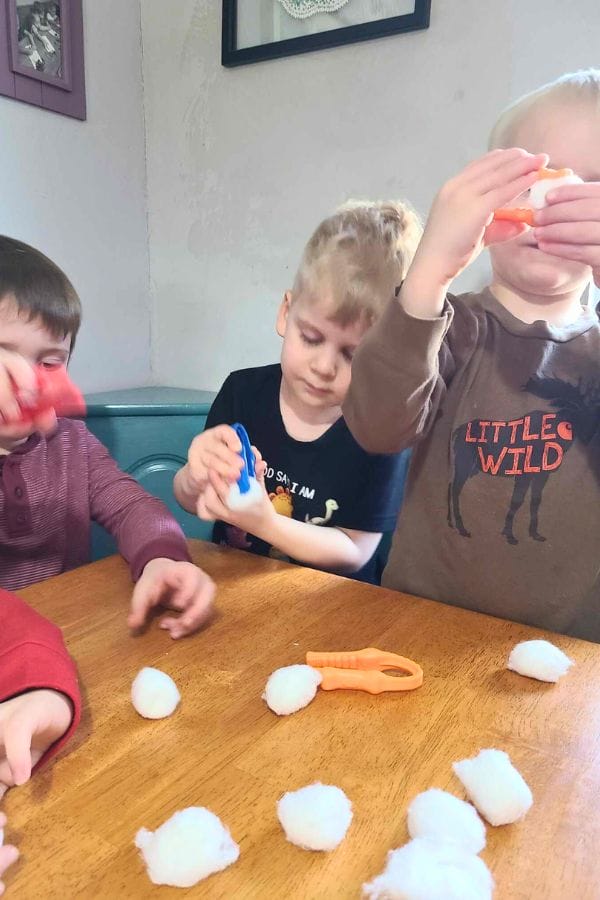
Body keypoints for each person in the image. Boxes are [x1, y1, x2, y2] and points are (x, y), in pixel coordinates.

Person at [343, 70, 600, 637]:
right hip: (422, 629)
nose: (558, 204)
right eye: (536, 178)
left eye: (592, 189)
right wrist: (428, 271)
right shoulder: (447, 325)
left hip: (573, 658)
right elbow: (376, 427)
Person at [175, 200, 421, 582]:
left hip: (331, 612)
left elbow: (355, 551)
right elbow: (194, 500)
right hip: (235, 593)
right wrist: (194, 478)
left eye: (353, 355)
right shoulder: (241, 391)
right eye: (310, 338)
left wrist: (265, 523)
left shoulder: (383, 433)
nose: (323, 367)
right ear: (285, 313)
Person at [0, 235, 215, 639]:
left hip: (66, 632)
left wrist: (161, 559)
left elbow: (133, 507)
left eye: (47, 363)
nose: (27, 382)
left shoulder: (72, 444)